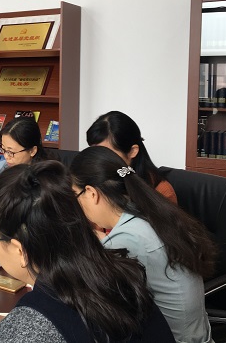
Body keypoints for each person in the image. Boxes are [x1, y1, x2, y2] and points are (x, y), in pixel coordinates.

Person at [0, 161, 176, 342]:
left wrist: (13, 332)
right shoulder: (121, 273)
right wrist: (8, 328)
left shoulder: (33, 324)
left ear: (19, 250)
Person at [70, 146, 216, 343]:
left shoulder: (126, 240)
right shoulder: (153, 214)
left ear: (91, 193)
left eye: (75, 195)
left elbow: (99, 307)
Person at [86, 110, 177, 203]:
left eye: (107, 153)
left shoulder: (160, 191)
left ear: (133, 151)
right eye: (94, 152)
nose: (98, 159)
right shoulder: (90, 180)